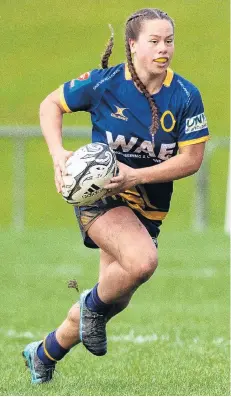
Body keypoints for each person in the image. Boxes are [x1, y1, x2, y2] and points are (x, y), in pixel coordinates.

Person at [22, 8, 209, 384]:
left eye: (169, 41)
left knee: (113, 297)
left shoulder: (186, 95)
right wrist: (58, 154)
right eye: (154, 41)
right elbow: (50, 105)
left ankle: (42, 353)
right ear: (132, 44)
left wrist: (136, 176)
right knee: (142, 262)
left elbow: (191, 160)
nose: (163, 49)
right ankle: (86, 311)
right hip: (100, 198)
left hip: (149, 208)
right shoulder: (105, 84)